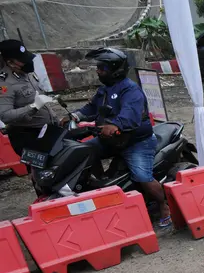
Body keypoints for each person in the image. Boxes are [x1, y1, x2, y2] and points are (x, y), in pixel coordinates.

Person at [60, 48, 171, 228]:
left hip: (136, 142)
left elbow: (130, 116)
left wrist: (116, 125)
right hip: (111, 139)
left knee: (142, 176)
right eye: (98, 67)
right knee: (85, 151)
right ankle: (104, 180)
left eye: (102, 68)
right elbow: (90, 108)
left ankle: (163, 205)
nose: (98, 71)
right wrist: (74, 116)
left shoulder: (131, 90)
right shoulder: (105, 90)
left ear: (115, 69)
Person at [0, 39, 59, 157]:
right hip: (28, 136)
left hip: (46, 130)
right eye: (22, 60)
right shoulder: (5, 84)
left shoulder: (26, 73)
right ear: (10, 63)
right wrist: (33, 106)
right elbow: (4, 115)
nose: (28, 62)